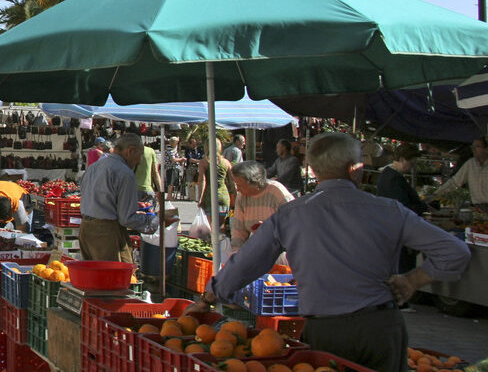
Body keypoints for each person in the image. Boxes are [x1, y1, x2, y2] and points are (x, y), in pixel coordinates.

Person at [188, 132, 471, 372]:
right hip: (381, 327)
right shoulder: (389, 210)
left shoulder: (291, 214)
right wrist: (414, 280)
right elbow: (455, 251)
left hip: (326, 330)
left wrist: (208, 298)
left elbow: (246, 263)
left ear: (312, 168)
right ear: (356, 168)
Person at [77, 134, 175, 263]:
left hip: (86, 230)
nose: (139, 161)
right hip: (105, 233)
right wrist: (156, 220)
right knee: (114, 279)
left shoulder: (94, 167)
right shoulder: (124, 173)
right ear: (130, 151)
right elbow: (127, 218)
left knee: (95, 278)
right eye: (139, 155)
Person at [378, 144, 429, 279]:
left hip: (392, 230)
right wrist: (423, 207)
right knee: (403, 270)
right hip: (399, 232)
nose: (412, 167)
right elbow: (403, 207)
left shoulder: (387, 174)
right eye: (411, 163)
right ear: (402, 159)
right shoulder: (394, 178)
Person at [229, 161, 293, 252]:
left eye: (240, 185)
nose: (237, 189)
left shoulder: (277, 193)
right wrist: (236, 251)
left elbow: (293, 225)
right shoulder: (241, 196)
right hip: (257, 249)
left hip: (281, 251)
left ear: (255, 183)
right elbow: (238, 230)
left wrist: (270, 229)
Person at [432, 136, 488, 205]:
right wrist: (437, 193)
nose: (474, 149)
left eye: (477, 146)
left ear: (486, 149)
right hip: (478, 207)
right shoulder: (470, 164)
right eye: (472, 147)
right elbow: (455, 182)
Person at [198, 138, 236, 216]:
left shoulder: (204, 162)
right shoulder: (226, 162)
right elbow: (232, 181)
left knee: (210, 226)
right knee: (222, 226)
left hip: (209, 198)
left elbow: (202, 181)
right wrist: (235, 197)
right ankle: (226, 223)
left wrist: (200, 199)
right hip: (224, 197)